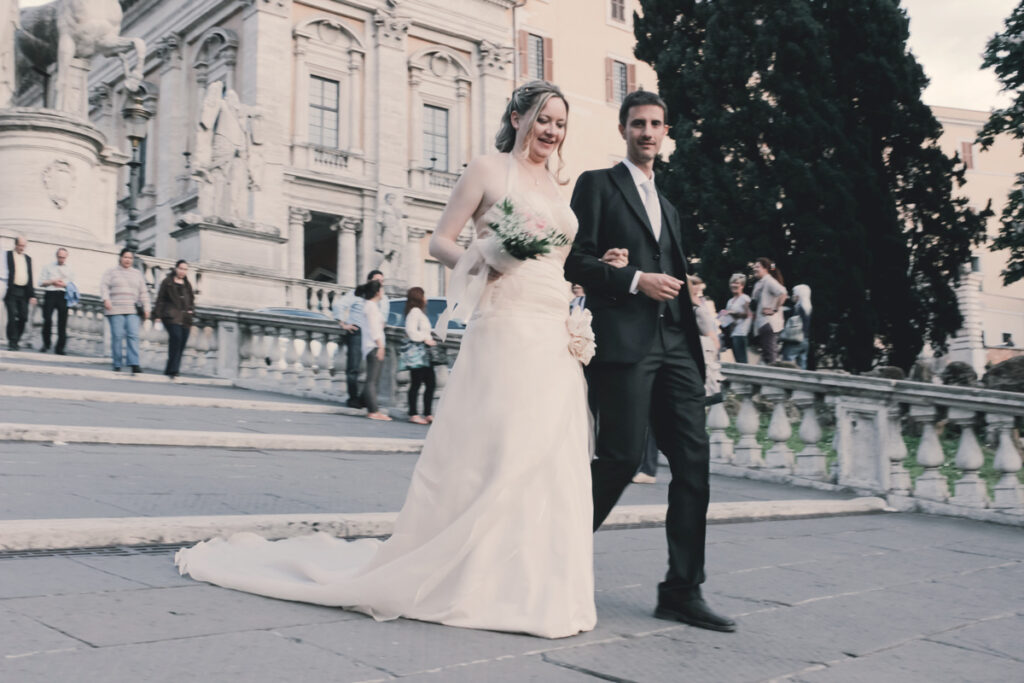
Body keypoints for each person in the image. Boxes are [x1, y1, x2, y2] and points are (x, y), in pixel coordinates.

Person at [176, 80, 599, 639]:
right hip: (506, 322)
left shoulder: (558, 183)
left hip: (551, 326)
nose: (552, 131)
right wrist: (487, 255)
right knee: (503, 448)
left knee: (550, 452)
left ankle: (536, 581)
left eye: (561, 123)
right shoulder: (486, 169)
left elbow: (557, 259)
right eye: (544, 118)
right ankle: (475, 575)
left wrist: (580, 286)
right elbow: (439, 242)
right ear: (518, 116)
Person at [565, 89, 736, 632]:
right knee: (617, 459)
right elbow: (572, 259)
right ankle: (551, 557)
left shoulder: (670, 206)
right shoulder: (597, 184)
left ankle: (681, 590)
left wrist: (695, 346)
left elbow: (676, 275)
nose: (647, 132)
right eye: (638, 123)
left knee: (694, 466)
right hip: (624, 345)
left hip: (676, 348)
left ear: (666, 134)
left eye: (656, 124)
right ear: (623, 129)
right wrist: (634, 279)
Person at [332, 273, 380, 408]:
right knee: (354, 368)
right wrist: (343, 324)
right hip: (357, 333)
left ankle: (365, 399)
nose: (380, 283)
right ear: (369, 281)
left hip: (373, 336)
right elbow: (339, 306)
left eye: (382, 281)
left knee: (374, 371)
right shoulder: (356, 294)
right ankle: (353, 399)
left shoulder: (382, 297)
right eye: (377, 280)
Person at [99, 248, 149, 373]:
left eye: (130, 258)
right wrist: (106, 299)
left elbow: (143, 292)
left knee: (133, 335)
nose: (128, 260)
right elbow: (104, 286)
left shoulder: (137, 273)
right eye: (125, 257)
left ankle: (134, 363)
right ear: (120, 258)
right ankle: (117, 363)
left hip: (132, 309)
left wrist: (147, 307)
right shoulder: (111, 272)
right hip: (115, 308)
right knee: (117, 336)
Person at [153, 260, 195, 379]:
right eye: (181, 268)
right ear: (176, 268)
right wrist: (157, 315)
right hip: (170, 316)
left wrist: (191, 310)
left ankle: (170, 368)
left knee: (181, 343)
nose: (183, 271)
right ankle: (173, 370)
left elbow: (191, 300)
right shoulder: (167, 282)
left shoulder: (187, 285)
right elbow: (160, 299)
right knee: (176, 338)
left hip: (185, 318)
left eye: (185, 269)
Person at [402, 286, 436, 425]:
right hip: (419, 352)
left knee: (430, 383)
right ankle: (414, 414)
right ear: (419, 298)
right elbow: (410, 331)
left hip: (424, 352)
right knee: (417, 383)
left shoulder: (417, 312)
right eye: (424, 295)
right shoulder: (415, 312)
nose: (425, 298)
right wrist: (425, 339)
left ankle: (427, 413)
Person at [360, 280, 390, 421]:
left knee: (372, 379)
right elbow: (374, 329)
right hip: (374, 346)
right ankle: (373, 411)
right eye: (382, 290)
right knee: (372, 380)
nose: (383, 292)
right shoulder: (371, 307)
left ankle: (368, 405)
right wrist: (381, 346)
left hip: (371, 346)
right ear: (377, 292)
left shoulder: (371, 306)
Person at [1, 236, 36, 351]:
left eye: (24, 246)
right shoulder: (7, 255)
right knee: (11, 317)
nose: (22, 248)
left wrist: (32, 295)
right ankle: (12, 342)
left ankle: (16, 339)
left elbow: (30, 277)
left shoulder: (28, 259)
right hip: (11, 291)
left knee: (23, 317)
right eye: (20, 245)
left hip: (24, 292)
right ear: (15, 245)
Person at [751, 257, 787, 365]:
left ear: (765, 268)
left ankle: (773, 378)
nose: (754, 268)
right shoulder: (760, 283)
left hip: (768, 324)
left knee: (770, 356)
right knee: (766, 355)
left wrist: (774, 309)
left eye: (757, 266)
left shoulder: (769, 281)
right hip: (762, 324)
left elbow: (783, 293)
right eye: (754, 266)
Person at [38, 247, 74, 354]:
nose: (61, 259)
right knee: (47, 319)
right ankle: (46, 344)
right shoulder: (47, 267)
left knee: (62, 322)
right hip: (50, 293)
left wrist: (63, 284)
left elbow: (72, 285)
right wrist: (52, 281)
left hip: (63, 295)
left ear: (66, 257)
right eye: (59, 257)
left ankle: (60, 348)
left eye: (63, 257)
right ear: (56, 256)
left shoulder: (70, 269)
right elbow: (40, 282)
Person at [722, 273, 752, 363]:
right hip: (733, 333)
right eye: (732, 283)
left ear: (742, 285)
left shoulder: (745, 298)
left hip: (741, 332)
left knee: (742, 361)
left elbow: (748, 314)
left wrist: (733, 313)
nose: (733, 285)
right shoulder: (730, 301)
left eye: (736, 283)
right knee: (737, 360)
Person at [781, 283, 812, 369]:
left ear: (798, 295)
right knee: (802, 366)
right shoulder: (807, 308)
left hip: (795, 340)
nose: (792, 295)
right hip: (805, 341)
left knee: (787, 363)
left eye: (794, 293)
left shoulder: (797, 309)